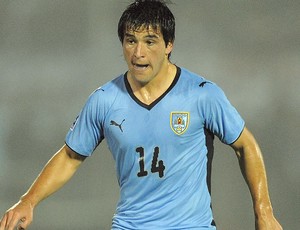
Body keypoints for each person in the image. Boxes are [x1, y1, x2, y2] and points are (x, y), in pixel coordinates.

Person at [0, 0, 282, 229]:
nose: (138, 53)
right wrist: (28, 200)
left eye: (150, 41)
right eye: (130, 41)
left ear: (169, 45)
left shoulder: (202, 95)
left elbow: (245, 145)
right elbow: (71, 156)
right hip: (130, 225)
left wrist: (264, 211)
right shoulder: (105, 100)